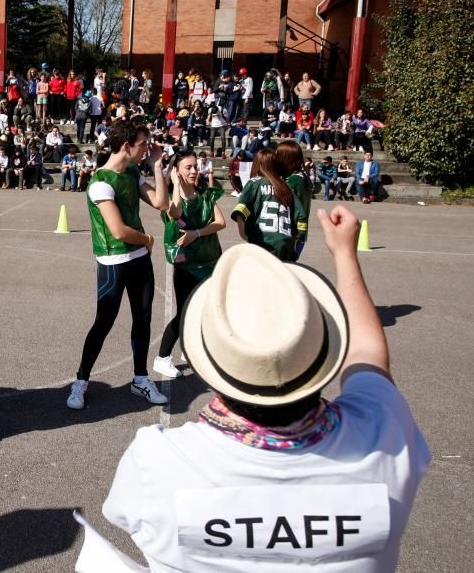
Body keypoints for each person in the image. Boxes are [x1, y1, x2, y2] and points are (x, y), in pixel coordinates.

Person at [98, 209, 429, 572]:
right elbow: (369, 357)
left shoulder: (158, 461)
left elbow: (123, 515)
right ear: (319, 350)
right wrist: (345, 255)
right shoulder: (384, 439)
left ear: (214, 363)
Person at [66, 122, 168, 410]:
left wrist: (157, 165)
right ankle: (81, 380)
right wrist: (147, 238)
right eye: (143, 144)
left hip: (139, 260)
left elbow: (160, 202)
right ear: (126, 146)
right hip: (114, 261)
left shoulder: (133, 172)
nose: (147, 149)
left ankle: (140, 379)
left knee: (143, 318)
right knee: (104, 321)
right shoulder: (101, 182)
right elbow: (119, 231)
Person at [154, 150, 225, 379]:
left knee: (206, 309)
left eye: (196, 166)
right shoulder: (173, 199)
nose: (194, 171)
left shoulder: (205, 194)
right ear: (177, 171)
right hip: (187, 265)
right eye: (188, 167)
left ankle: (189, 349)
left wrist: (196, 233)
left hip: (210, 261)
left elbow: (220, 222)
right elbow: (174, 213)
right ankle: (162, 358)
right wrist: (175, 185)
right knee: (185, 312)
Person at [231, 148, 307, 263]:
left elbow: (241, 210)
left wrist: (244, 235)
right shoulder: (286, 187)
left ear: (256, 164)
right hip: (285, 245)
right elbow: (301, 218)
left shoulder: (254, 183)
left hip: (262, 242)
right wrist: (296, 246)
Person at [276, 141, 312, 260]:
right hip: (298, 235)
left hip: (291, 235)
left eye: (278, 155)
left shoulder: (293, 181)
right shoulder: (301, 176)